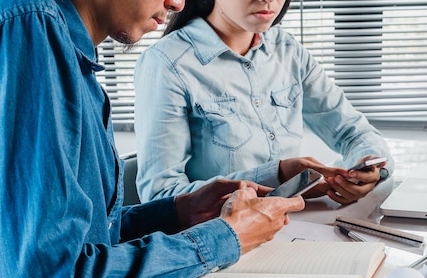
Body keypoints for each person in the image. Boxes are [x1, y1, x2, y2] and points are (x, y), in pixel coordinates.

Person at [0, 0, 305, 278]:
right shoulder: (27, 25)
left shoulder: (67, 49)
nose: (176, 5)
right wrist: (224, 238)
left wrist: (177, 213)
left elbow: (77, 237)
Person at [133, 0, 394, 206]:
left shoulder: (287, 49)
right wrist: (279, 177)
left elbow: (354, 132)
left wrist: (365, 172)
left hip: (296, 228)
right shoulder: (167, 63)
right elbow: (161, 197)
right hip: (220, 241)